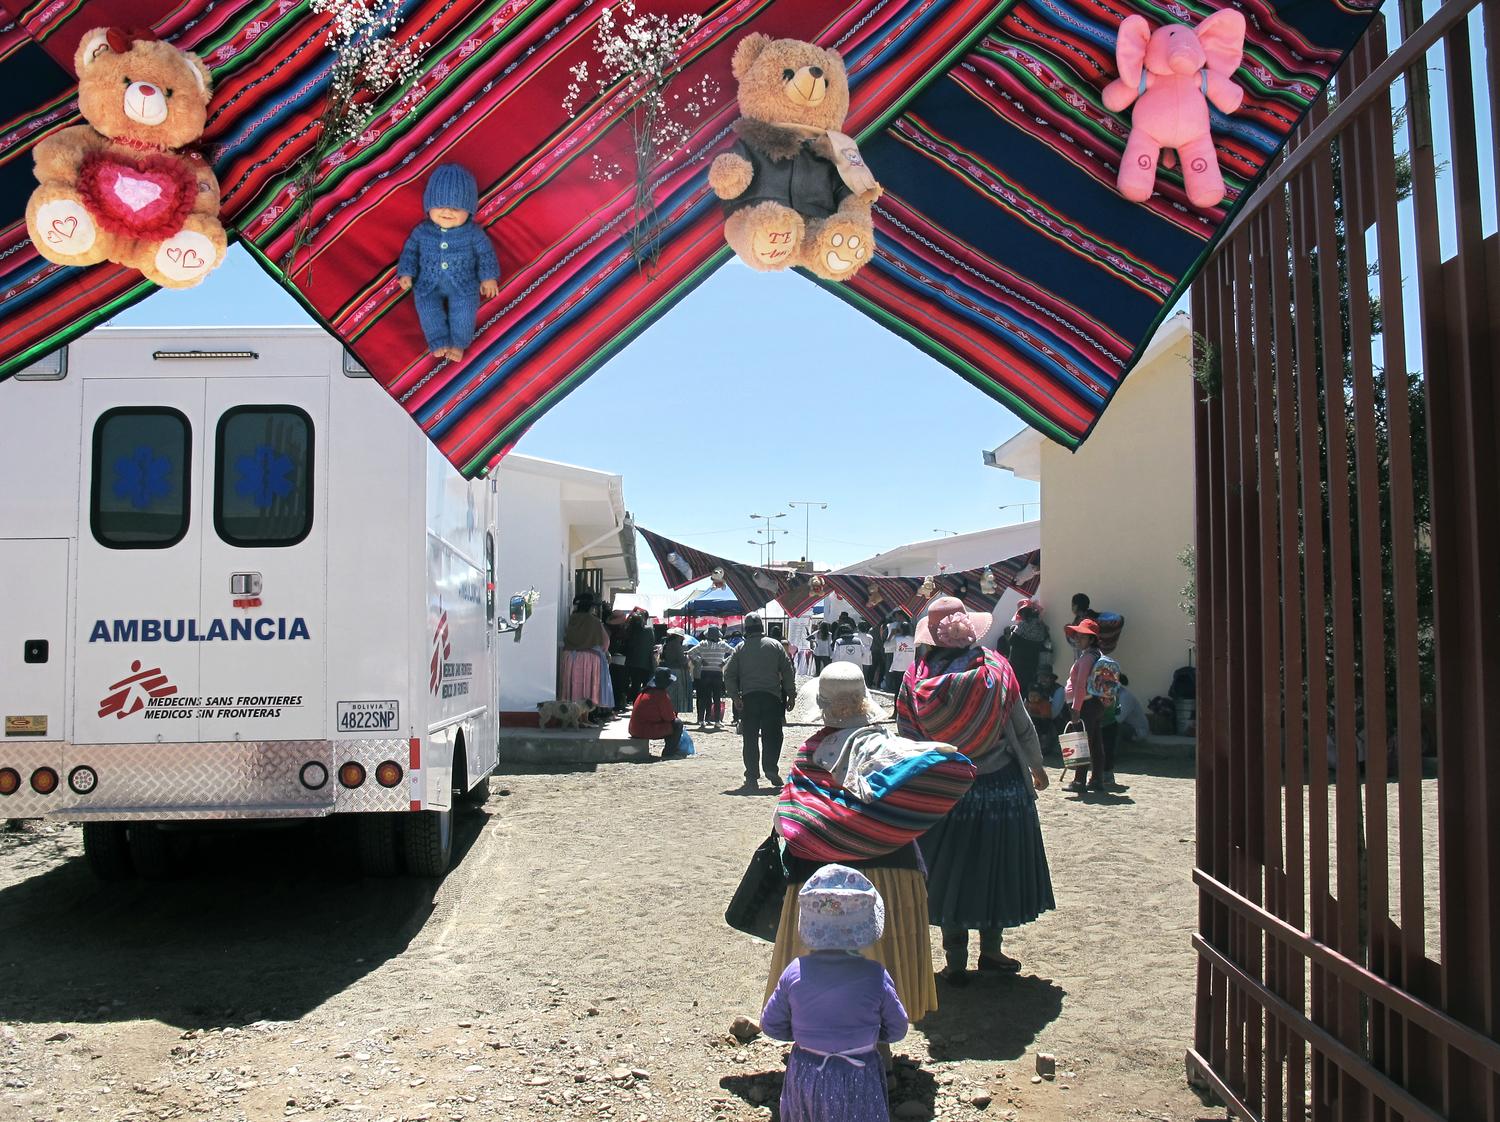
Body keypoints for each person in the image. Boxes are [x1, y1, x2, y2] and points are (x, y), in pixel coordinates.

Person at [765, 663, 942, 1028]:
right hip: (893, 869)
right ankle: (882, 1042)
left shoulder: (811, 751)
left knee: (821, 954)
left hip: (821, 875)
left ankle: (818, 1029)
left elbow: (792, 814)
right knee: (890, 948)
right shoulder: (895, 750)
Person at [896, 596, 1054, 984]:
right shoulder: (997, 668)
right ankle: (992, 950)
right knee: (993, 866)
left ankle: (954, 960)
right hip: (1000, 785)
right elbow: (1020, 724)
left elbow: (907, 735)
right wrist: (1036, 765)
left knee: (950, 870)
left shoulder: (915, 678)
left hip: (944, 788)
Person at [761, 865, 909, 1122]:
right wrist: (869, 1035)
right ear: (866, 924)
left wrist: (805, 1035)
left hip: (807, 1071)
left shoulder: (795, 972)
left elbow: (771, 1024)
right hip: (860, 1073)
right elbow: (898, 1028)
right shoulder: (875, 975)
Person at [725, 613, 797, 790]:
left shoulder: (740, 648)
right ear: (762, 628)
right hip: (772, 698)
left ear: (746, 629)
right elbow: (787, 671)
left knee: (750, 738)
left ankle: (751, 776)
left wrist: (735, 696)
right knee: (773, 736)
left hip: (749, 699)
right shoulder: (776, 646)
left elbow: (728, 673)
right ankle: (771, 769)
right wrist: (791, 694)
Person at [1063, 617, 1114, 792]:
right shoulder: (1097, 656)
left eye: (1082, 636)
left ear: (1091, 639)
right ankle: (1097, 779)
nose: (1077, 639)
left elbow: (1080, 685)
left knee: (1081, 743)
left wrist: (1076, 709)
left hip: (1085, 705)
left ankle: (1079, 781)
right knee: (1095, 742)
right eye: (1077, 635)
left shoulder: (1086, 659)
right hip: (1096, 704)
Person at [559, 592, 614, 716]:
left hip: (570, 657)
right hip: (589, 658)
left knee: (573, 687)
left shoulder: (572, 619)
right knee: (587, 688)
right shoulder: (595, 621)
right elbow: (605, 642)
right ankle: (584, 716)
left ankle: (572, 715)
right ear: (590, 607)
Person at [629, 667, 685, 759]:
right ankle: (669, 752)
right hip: (643, 730)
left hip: (634, 728)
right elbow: (669, 718)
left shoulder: (645, 691)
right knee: (677, 724)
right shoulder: (660, 694)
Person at [690, 626, 734, 728]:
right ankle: (717, 721)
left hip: (705, 673)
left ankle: (702, 720)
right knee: (717, 697)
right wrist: (724, 661)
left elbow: (690, 653)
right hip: (717, 673)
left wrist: (700, 660)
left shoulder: (703, 644)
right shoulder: (723, 645)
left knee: (704, 697)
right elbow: (734, 652)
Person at [1002, 599, 1049, 693]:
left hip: (1018, 663)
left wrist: (1012, 632)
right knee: (1026, 689)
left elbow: (1012, 641)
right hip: (1033, 663)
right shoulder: (1041, 625)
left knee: (1014, 688)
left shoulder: (1023, 624)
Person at [659, 629, 695, 714]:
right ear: (679, 637)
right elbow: (681, 660)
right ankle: (672, 714)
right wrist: (687, 658)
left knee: (669, 693)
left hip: (668, 669)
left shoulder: (667, 643)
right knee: (676, 695)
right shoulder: (676, 645)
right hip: (676, 671)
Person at [623, 612, 657, 699]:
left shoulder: (628, 632)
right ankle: (644, 704)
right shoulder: (648, 631)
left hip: (631, 663)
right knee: (646, 686)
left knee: (635, 685)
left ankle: (636, 705)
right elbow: (651, 645)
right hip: (646, 663)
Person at [882, 621, 915, 692]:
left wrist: (891, 634)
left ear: (901, 630)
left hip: (898, 668)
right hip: (910, 668)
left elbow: (885, 645)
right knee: (909, 689)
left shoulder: (897, 639)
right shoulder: (914, 640)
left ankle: (897, 702)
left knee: (898, 689)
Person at [1116, 674, 1149, 744]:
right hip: (1127, 726)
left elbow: (1117, 719)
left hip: (1137, 732)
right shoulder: (1113, 696)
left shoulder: (1125, 697)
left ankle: (1108, 753)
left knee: (1111, 726)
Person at [855, 622, 876, 687]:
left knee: (858, 670)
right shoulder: (870, 637)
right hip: (867, 654)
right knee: (866, 671)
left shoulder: (855, 635)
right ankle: (864, 684)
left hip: (858, 654)